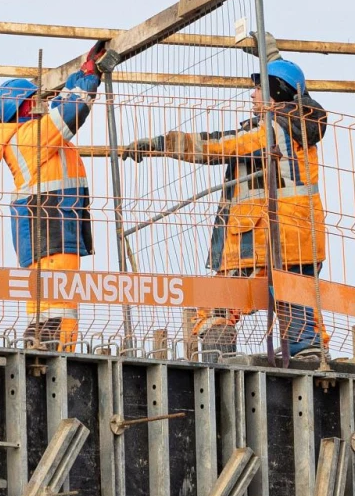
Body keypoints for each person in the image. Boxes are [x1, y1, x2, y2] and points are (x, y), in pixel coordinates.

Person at [124, 57, 329, 362]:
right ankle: (309, 360)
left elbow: (219, 145)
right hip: (302, 240)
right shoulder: (299, 127)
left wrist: (161, 143)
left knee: (217, 308)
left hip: (260, 238)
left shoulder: (272, 132)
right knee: (298, 314)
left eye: (259, 88)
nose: (252, 94)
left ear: (276, 93)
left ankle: (217, 370)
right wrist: (270, 52)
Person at [0, 43, 105, 351]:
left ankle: (38, 356)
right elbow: (71, 110)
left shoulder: (27, 135)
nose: (44, 101)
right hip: (51, 227)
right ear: (25, 107)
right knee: (60, 306)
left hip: (42, 230)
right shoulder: (30, 137)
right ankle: (60, 362)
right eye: (37, 98)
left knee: (43, 307)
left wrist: (83, 72)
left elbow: (63, 103)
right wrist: (91, 77)